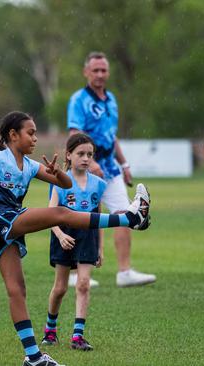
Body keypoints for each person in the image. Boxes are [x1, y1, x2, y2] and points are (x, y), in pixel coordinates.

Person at [0, 111, 151, 366]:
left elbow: (65, 185)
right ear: (13, 135)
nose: (35, 138)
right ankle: (131, 219)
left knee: (17, 290)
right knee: (61, 214)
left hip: (6, 224)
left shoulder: (31, 166)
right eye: (30, 133)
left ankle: (33, 357)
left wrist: (58, 172)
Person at [67, 51, 156, 287]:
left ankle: (124, 272)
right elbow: (74, 133)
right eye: (95, 70)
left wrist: (124, 163)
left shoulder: (111, 99)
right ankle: (75, 274)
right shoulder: (79, 100)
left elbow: (111, 136)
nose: (99, 74)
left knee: (125, 214)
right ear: (86, 72)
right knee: (82, 217)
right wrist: (89, 160)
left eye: (103, 70)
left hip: (111, 167)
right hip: (86, 167)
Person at [41, 133, 105, 351]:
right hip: (63, 234)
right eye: (81, 154)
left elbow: (98, 218)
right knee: (60, 288)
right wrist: (60, 235)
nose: (86, 158)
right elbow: (50, 214)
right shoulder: (60, 181)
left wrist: (100, 248)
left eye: (90, 154)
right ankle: (50, 330)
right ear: (69, 155)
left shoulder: (98, 184)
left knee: (83, 284)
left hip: (87, 235)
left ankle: (78, 336)